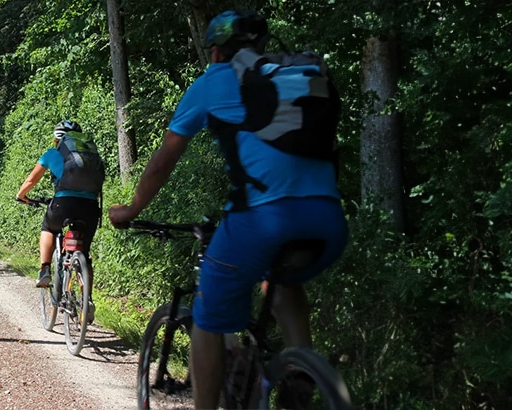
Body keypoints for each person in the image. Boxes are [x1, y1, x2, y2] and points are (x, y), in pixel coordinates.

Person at [104, 10, 348, 410]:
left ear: (215, 51)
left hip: (261, 221)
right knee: (281, 279)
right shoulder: (292, 75)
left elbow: (163, 161)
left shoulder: (214, 81)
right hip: (328, 220)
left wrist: (130, 208)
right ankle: (301, 370)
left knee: (208, 319)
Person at [14, 120, 103, 288]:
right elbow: (97, 191)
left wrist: (21, 195)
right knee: (84, 253)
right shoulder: (91, 157)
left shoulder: (52, 154)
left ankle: (45, 269)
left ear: (57, 139)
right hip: (90, 207)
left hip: (63, 204)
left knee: (49, 227)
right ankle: (87, 301)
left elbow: (31, 180)